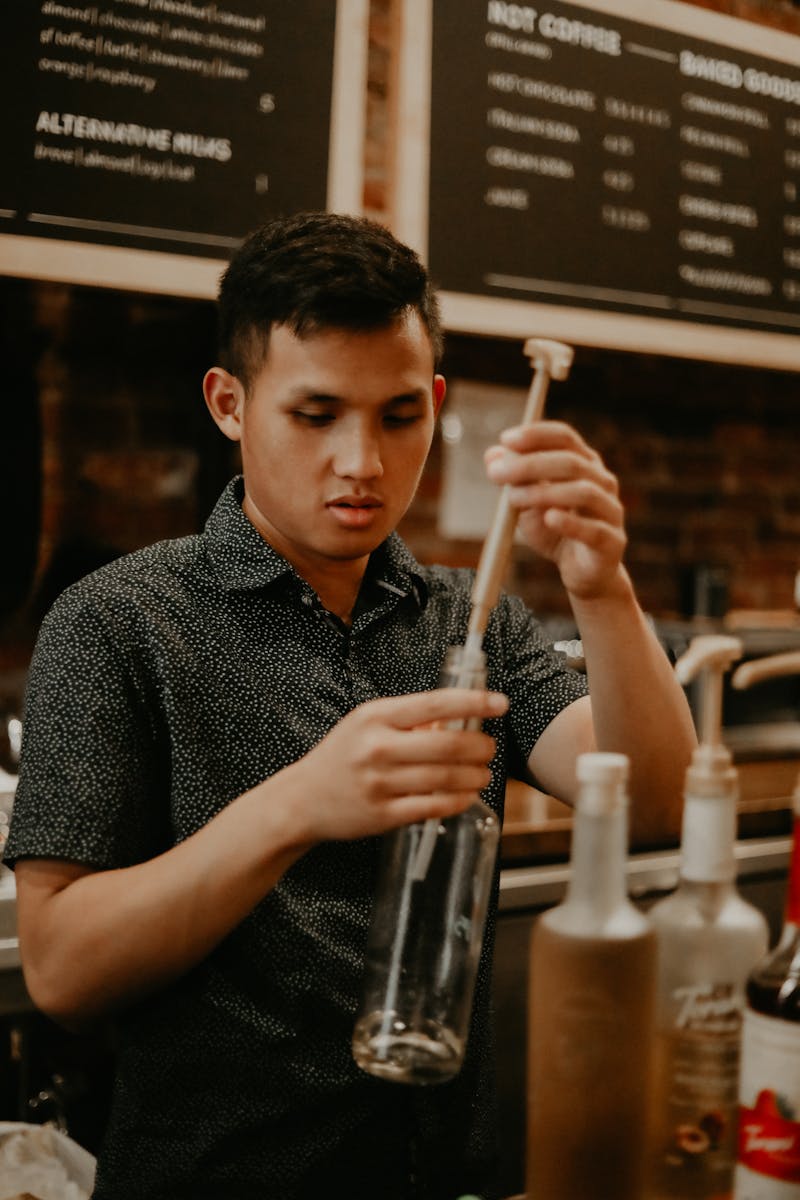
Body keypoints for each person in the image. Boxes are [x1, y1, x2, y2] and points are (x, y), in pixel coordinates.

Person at [6, 212, 696, 1200]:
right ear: (229, 404)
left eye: (398, 415)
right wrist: (298, 804)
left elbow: (655, 804)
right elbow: (62, 970)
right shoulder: (117, 622)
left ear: (436, 402)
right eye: (316, 412)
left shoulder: (471, 619)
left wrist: (601, 585)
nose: (362, 463)